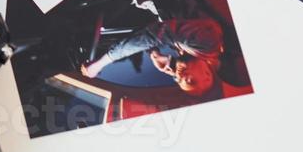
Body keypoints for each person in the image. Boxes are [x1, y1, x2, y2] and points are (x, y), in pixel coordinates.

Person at [80, 17, 225, 95]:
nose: (178, 75)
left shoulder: (190, 52)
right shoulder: (208, 44)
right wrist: (100, 64)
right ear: (207, 75)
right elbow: (155, 34)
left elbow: (158, 29)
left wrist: (155, 54)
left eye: (178, 80)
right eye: (188, 80)